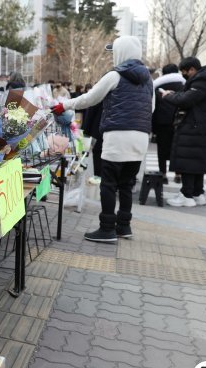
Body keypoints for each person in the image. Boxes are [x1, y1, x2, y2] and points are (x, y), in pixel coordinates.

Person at [51, 36, 153, 243]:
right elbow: (151, 109)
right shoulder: (148, 80)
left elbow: (91, 98)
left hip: (117, 135)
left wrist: (65, 105)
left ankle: (107, 229)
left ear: (121, 52)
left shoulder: (115, 75)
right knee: (126, 183)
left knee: (109, 183)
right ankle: (124, 226)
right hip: (141, 137)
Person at [162, 57, 206, 207]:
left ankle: (186, 195)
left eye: (185, 72)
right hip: (203, 128)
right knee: (197, 163)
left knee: (188, 163)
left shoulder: (200, 84)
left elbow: (184, 100)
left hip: (195, 128)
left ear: (192, 70)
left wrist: (168, 95)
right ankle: (197, 194)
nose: (184, 75)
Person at [152, 64, 185, 184]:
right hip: (179, 122)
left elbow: (153, 108)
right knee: (177, 149)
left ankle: (163, 174)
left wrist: (153, 128)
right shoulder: (184, 85)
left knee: (161, 149)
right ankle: (178, 174)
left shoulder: (157, 87)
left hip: (162, 123)